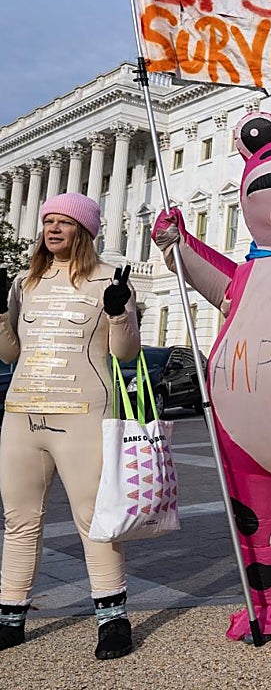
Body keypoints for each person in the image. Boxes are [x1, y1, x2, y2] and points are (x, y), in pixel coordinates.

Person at [0, 193, 140, 659]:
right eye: (48, 222)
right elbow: (10, 354)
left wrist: (120, 313)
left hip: (83, 416)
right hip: (22, 416)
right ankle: (10, 617)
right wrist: (1, 314)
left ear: (85, 229)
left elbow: (126, 355)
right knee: (19, 522)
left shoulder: (111, 280)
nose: (53, 230)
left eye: (64, 222)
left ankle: (112, 620)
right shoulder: (25, 282)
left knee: (94, 520)